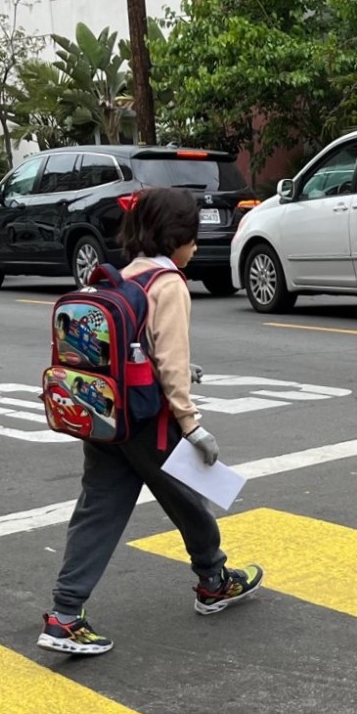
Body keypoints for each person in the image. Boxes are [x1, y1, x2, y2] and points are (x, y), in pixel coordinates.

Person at [39, 187, 262, 655]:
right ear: (176, 237)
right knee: (190, 502)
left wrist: (180, 372)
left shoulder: (121, 276)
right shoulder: (170, 284)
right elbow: (171, 363)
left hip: (105, 416)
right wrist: (193, 425)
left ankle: (63, 615)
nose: (196, 247)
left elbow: (140, 351)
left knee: (97, 511)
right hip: (148, 423)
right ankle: (212, 581)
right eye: (194, 238)